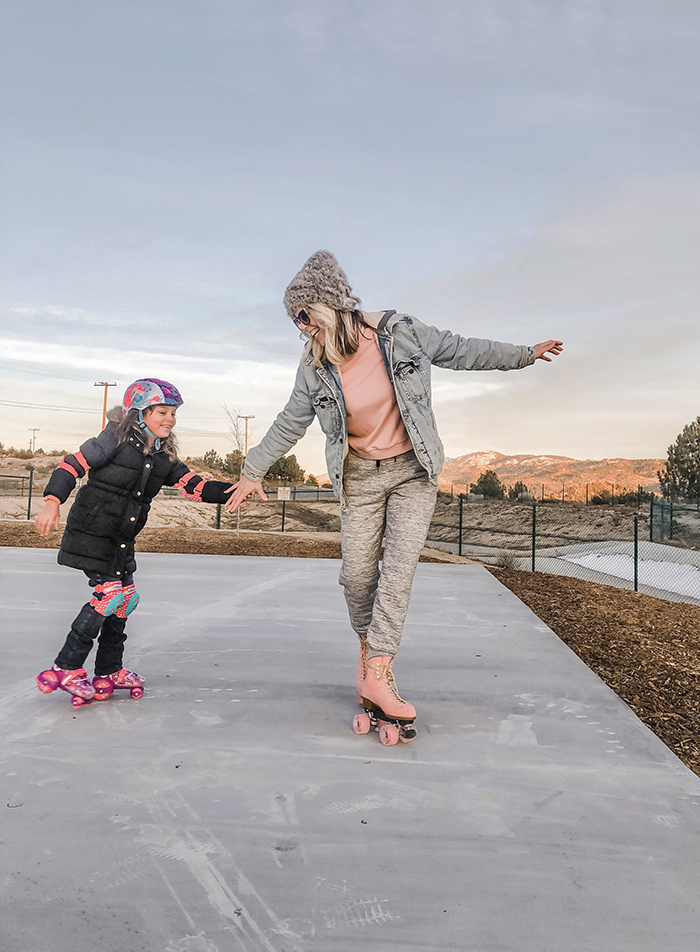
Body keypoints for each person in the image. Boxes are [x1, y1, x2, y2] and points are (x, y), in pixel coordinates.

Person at [225, 251, 563, 743]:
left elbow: (460, 349)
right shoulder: (314, 367)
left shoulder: (399, 330)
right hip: (358, 476)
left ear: (331, 304)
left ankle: (380, 669)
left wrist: (524, 354)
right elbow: (289, 421)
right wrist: (252, 470)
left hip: (412, 472)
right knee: (357, 575)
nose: (301, 328)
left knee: (398, 571)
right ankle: (369, 658)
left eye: (305, 315)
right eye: (295, 320)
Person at [34, 378, 235, 708]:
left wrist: (237, 489)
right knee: (109, 596)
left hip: (121, 541)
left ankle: (109, 671)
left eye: (173, 413)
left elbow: (196, 487)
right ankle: (66, 668)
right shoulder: (114, 439)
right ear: (140, 413)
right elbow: (73, 464)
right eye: (162, 411)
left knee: (126, 600)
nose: (169, 418)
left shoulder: (163, 456)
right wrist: (52, 500)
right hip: (92, 532)